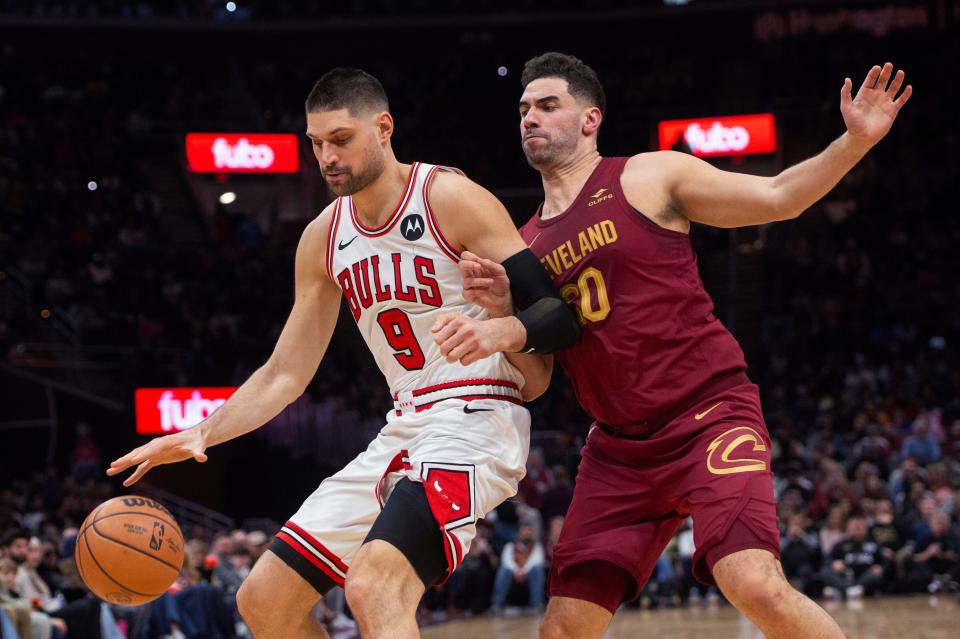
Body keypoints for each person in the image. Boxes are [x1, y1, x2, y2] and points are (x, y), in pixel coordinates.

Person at [447, 52, 911, 638]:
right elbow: (537, 380)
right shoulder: (523, 243)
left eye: (547, 105)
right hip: (618, 450)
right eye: (523, 109)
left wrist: (854, 142)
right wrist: (500, 311)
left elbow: (777, 198)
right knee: (561, 629)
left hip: (708, 417)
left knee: (752, 581)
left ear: (590, 118)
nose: (529, 118)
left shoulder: (648, 175)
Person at [107, 67, 579, 639]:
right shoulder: (322, 238)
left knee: (374, 585)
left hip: (478, 414)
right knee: (263, 601)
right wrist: (205, 431)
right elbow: (285, 371)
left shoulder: (448, 197)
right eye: (316, 143)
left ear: (383, 128)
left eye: (341, 139)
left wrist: (502, 327)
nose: (327, 156)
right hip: (403, 423)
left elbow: (554, 318)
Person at [490, 523, 546, 613]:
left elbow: (537, 560)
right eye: (524, 531)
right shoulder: (509, 546)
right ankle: (497, 603)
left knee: (537, 569)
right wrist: (517, 571)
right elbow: (506, 561)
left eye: (529, 531)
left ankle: (537, 604)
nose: (526, 533)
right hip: (513, 578)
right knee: (503, 570)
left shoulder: (537, 547)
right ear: (518, 533)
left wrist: (523, 571)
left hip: (529, 577)